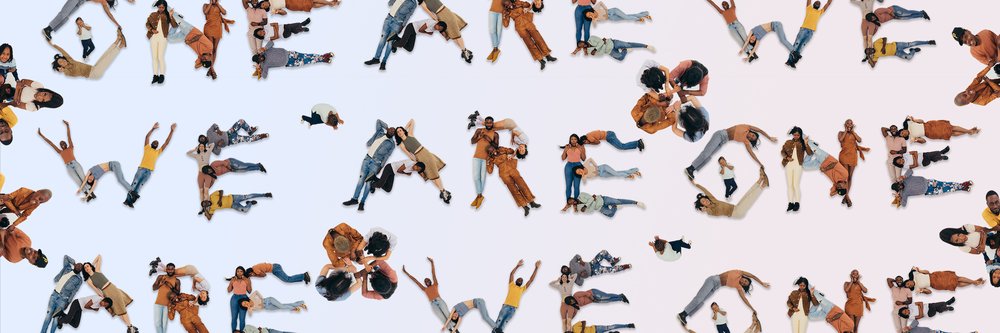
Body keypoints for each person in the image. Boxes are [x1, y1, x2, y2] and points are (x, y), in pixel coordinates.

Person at [678, 270, 770, 331]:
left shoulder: (738, 286)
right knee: (699, 299)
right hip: (713, 280)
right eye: (745, 281)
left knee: (701, 303)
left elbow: (744, 299)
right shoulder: (739, 272)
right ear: (745, 277)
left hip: (715, 287)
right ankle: (682, 314)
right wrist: (762, 283)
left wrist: (752, 309)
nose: (743, 282)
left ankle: (684, 315)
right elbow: (753, 276)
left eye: (745, 284)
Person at [684, 124, 778, 180]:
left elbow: (752, 154)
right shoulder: (746, 127)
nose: (751, 136)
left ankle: (693, 170)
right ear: (752, 132)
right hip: (720, 135)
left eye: (752, 138)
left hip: (723, 142)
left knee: (708, 157)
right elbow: (760, 130)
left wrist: (760, 163)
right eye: (753, 135)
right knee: (706, 154)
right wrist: (769, 137)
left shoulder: (745, 141)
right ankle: (690, 168)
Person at [396, 119, 452, 204]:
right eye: (398, 132)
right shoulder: (401, 144)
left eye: (400, 130)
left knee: (435, 174)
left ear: (403, 130)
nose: (399, 132)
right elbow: (409, 155)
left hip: (425, 152)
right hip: (419, 157)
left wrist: (404, 128)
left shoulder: (410, 134)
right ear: (397, 135)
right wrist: (416, 161)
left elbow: (412, 121)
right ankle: (443, 191)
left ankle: (443, 192)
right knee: (431, 175)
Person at [124, 122, 176, 208]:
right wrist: (153, 129)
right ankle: (127, 201)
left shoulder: (157, 152)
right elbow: (147, 137)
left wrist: (171, 131)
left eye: (157, 143)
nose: (156, 143)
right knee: (134, 184)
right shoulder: (147, 148)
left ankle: (131, 202)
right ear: (151, 144)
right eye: (154, 142)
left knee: (139, 187)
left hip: (149, 172)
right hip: (141, 169)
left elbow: (166, 143)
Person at [81, 255, 138, 333]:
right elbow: (96, 290)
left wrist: (91, 263)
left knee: (122, 309)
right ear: (84, 270)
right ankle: (130, 327)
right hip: (106, 293)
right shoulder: (89, 280)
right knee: (118, 311)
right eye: (85, 268)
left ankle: (130, 327)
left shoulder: (97, 270)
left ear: (90, 266)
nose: (87, 268)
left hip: (113, 288)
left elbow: (99, 256)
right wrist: (103, 296)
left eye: (87, 266)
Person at [503, 0, 558, 70]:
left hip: (528, 23)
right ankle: (541, 60)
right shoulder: (505, 11)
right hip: (520, 27)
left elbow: (528, 5)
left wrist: (520, 3)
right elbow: (505, 25)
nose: (508, 5)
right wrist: (504, 15)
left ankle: (548, 56)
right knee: (529, 44)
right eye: (506, 5)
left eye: (508, 3)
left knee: (538, 39)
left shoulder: (517, 2)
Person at [692, 169, 769, 219]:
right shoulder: (710, 211)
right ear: (703, 205)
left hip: (735, 207)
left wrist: (696, 184)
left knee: (747, 195)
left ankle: (760, 179)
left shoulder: (713, 200)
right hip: (736, 213)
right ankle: (764, 185)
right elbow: (709, 212)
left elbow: (705, 191)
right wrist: (705, 210)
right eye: (703, 202)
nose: (706, 200)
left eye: (705, 199)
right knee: (750, 199)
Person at [487, 145, 541, 216]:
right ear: (489, 153)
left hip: (512, 169)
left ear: (494, 148)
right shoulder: (490, 159)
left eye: (493, 149)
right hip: (504, 174)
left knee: (522, 185)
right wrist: (487, 162)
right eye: (491, 151)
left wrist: (505, 150)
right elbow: (490, 171)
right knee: (513, 190)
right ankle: (525, 207)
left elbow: (512, 151)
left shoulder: (501, 150)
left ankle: (532, 202)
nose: (493, 151)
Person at [364, 0, 418, 71]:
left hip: (398, 23)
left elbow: (408, 16)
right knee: (382, 39)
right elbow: (390, 4)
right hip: (388, 18)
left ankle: (384, 62)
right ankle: (376, 59)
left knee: (390, 42)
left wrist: (402, 26)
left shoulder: (413, 3)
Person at [49, 31, 126, 80]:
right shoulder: (67, 72)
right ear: (61, 67)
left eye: (62, 59)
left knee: (104, 56)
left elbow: (62, 51)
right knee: (108, 59)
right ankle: (121, 45)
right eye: (61, 62)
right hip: (93, 74)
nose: (63, 60)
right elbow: (73, 74)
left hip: (92, 68)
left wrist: (52, 44)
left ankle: (117, 40)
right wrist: (63, 70)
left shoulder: (70, 60)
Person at [43, 0, 132, 41]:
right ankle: (47, 28)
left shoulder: (103, 2)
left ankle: (49, 30)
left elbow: (110, 14)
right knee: (64, 13)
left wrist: (117, 24)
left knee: (66, 17)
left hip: (81, 2)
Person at [164, 10, 217, 78]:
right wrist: (190, 42)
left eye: (203, 60)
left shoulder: (201, 57)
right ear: (209, 58)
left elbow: (196, 66)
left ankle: (177, 22)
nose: (203, 59)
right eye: (205, 59)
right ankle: (165, 6)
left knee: (169, 39)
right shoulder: (210, 46)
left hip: (185, 37)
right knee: (175, 18)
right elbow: (199, 36)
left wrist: (203, 63)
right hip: (190, 30)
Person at [801, 139, 852, 206]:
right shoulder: (845, 174)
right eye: (841, 187)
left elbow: (831, 194)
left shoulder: (835, 184)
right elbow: (835, 163)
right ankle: (800, 133)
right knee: (810, 145)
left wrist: (837, 191)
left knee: (804, 166)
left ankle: (812, 150)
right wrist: (825, 169)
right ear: (845, 186)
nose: (838, 186)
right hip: (825, 158)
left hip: (820, 165)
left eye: (838, 188)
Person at [494, 259, 541, 332]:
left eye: (521, 280)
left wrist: (536, 268)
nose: (520, 280)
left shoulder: (522, 289)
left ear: (522, 283)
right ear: (515, 281)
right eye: (519, 279)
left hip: (513, 309)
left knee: (504, 324)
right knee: (499, 321)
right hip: (506, 306)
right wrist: (517, 266)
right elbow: (511, 274)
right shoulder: (511, 285)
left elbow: (531, 280)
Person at [42, 255, 84, 333]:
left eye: (81, 266)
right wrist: (74, 262)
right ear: (75, 265)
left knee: (56, 319)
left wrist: (68, 303)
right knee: (48, 316)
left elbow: (74, 292)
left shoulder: (79, 280)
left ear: (81, 270)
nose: (79, 266)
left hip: (63, 299)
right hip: (54, 295)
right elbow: (66, 257)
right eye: (78, 264)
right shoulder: (67, 268)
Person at [38, 120, 86, 187]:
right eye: (61, 144)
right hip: (68, 167)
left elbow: (69, 136)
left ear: (66, 144)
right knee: (77, 181)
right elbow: (50, 143)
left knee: (83, 178)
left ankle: (91, 192)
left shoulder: (70, 147)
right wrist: (41, 135)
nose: (62, 144)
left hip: (75, 163)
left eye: (63, 143)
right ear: (60, 146)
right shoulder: (60, 151)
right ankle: (87, 194)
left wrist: (67, 125)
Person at [892, 168, 973, 208]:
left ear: (898, 182)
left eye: (899, 185)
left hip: (929, 182)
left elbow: (910, 170)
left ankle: (963, 185)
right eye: (899, 188)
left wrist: (904, 176)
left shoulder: (905, 178)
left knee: (947, 184)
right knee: (947, 189)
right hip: (929, 191)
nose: (900, 186)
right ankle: (963, 186)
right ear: (898, 190)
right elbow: (903, 204)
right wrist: (898, 197)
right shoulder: (904, 193)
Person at [787, 0, 833, 68]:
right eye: (817, 2)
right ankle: (789, 61)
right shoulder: (809, 8)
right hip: (804, 30)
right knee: (796, 44)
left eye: (819, 3)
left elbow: (828, 3)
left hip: (811, 32)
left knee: (801, 47)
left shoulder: (820, 12)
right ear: (813, 4)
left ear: (819, 6)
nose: (818, 2)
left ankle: (793, 62)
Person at [253, 40, 334, 79]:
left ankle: (323, 57)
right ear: (259, 62)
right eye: (259, 60)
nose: (260, 58)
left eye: (259, 56)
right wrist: (259, 69)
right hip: (289, 63)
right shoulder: (264, 65)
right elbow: (264, 76)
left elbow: (271, 42)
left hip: (290, 54)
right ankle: (323, 59)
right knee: (307, 61)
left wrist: (264, 48)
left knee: (307, 56)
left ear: (259, 54)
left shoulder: (265, 50)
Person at [402, 257, 449, 322]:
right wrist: (406, 273)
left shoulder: (435, 284)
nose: (427, 282)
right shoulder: (424, 289)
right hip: (433, 303)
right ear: (425, 283)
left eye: (428, 280)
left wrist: (432, 262)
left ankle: (455, 326)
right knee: (442, 318)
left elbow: (433, 274)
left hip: (439, 300)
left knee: (447, 315)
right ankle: (450, 330)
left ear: (430, 281)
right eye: (426, 281)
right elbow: (415, 281)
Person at [197, 157, 267, 200]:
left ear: (208, 167)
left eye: (208, 169)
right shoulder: (214, 174)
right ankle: (258, 168)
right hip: (232, 170)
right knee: (246, 170)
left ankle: (258, 164)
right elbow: (211, 183)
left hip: (231, 163)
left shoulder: (213, 164)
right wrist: (207, 188)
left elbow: (224, 163)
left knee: (245, 166)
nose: (209, 171)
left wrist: (230, 168)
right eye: (208, 172)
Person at [861, 5, 930, 48]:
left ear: (872, 14)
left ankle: (921, 12)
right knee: (908, 17)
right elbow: (875, 30)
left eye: (872, 17)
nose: (873, 19)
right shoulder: (876, 22)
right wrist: (870, 37)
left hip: (894, 10)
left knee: (908, 13)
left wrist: (893, 15)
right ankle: (922, 15)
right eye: (871, 19)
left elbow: (887, 10)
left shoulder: (877, 11)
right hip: (895, 17)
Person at [560, 288, 629, 331]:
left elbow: (586, 294)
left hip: (593, 294)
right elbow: (573, 315)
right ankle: (621, 299)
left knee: (607, 296)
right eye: (570, 303)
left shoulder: (576, 295)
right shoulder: (576, 306)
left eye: (571, 300)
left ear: (571, 298)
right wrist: (567, 322)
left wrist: (592, 298)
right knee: (608, 301)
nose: (572, 302)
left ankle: (620, 295)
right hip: (594, 300)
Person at [470, 117, 499, 208]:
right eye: (487, 122)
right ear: (485, 123)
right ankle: (480, 196)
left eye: (490, 123)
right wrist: (479, 137)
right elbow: (472, 141)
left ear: (492, 123)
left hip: (487, 158)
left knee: (482, 178)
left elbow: (496, 146)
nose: (489, 124)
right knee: (475, 177)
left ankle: (479, 196)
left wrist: (488, 139)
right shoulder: (479, 130)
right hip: (477, 157)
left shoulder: (495, 134)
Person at [781, 127, 812, 212]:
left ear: (800, 135)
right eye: (794, 134)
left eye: (798, 135)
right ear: (792, 134)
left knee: (795, 185)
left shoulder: (802, 143)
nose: (796, 136)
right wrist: (787, 157)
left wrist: (806, 143)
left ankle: (797, 203)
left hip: (798, 165)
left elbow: (809, 153)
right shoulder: (788, 142)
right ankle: (790, 203)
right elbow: (782, 152)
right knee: (789, 185)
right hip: (788, 165)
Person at [146, 1, 177, 84]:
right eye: (159, 7)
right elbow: (147, 24)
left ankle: (162, 75)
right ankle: (155, 75)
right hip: (153, 37)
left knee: (160, 57)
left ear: (165, 7)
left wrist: (171, 16)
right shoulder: (153, 14)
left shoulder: (167, 15)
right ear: (157, 7)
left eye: (163, 7)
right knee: (154, 57)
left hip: (163, 38)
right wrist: (152, 30)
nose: (161, 9)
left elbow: (174, 26)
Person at [838, 119, 869, 202]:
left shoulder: (853, 134)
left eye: (850, 123)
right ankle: (847, 196)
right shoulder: (841, 132)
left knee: (850, 177)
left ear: (852, 125)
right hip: (844, 155)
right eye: (847, 123)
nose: (849, 124)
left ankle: (846, 196)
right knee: (845, 176)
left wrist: (853, 131)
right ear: (845, 124)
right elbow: (841, 140)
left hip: (853, 156)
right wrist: (845, 130)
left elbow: (859, 140)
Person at [202, 0, 233, 79]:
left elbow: (224, 12)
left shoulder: (218, 6)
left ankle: (210, 69)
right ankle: (212, 70)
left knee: (215, 49)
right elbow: (205, 12)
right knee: (210, 49)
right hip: (209, 27)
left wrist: (218, 4)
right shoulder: (205, 5)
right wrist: (211, 3)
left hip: (218, 28)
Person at [0, 78, 64, 112]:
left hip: (7, 98)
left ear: (44, 103)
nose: (40, 96)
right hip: (10, 88)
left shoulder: (34, 107)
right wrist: (17, 97)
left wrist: (18, 89)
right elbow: (23, 81)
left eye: (43, 99)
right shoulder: (39, 86)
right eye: (44, 94)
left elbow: (15, 104)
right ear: (47, 91)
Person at [901, 116, 980, 144]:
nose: (903, 133)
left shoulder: (910, 124)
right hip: (930, 133)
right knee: (950, 133)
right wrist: (917, 140)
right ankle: (969, 131)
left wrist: (915, 120)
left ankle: (969, 132)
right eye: (903, 135)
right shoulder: (912, 137)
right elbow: (924, 141)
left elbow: (922, 121)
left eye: (902, 132)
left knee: (951, 127)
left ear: (903, 129)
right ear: (905, 136)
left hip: (930, 124)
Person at [200, 190, 272, 220]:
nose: (206, 203)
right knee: (245, 210)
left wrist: (219, 200)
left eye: (205, 202)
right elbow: (209, 218)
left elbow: (221, 191)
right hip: (233, 206)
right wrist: (205, 210)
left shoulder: (212, 196)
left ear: (206, 200)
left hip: (233, 197)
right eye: (205, 205)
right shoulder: (212, 208)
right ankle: (249, 203)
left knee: (247, 196)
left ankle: (265, 195)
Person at [907, 266, 984, 294]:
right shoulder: (917, 289)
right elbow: (929, 292)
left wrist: (920, 270)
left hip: (935, 275)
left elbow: (927, 272)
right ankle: (974, 282)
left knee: (957, 278)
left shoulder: (915, 274)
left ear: (908, 280)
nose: (909, 284)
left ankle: (974, 282)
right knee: (956, 284)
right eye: (909, 286)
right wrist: (922, 291)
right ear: (910, 287)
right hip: (936, 284)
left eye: (908, 283)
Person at [864, 38, 935, 67]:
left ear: (870, 47)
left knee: (911, 44)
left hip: (897, 45)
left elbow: (884, 38)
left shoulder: (875, 43)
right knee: (909, 57)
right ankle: (913, 50)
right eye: (869, 52)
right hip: (897, 53)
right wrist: (869, 58)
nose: (870, 51)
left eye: (869, 49)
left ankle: (928, 42)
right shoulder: (875, 55)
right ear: (870, 54)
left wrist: (883, 47)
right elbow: (873, 65)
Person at [152, 263, 181, 333]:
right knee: (157, 323)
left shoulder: (177, 280)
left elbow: (178, 293)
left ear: (174, 269)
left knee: (164, 324)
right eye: (168, 269)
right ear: (166, 269)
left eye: (172, 269)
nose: (170, 271)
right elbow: (153, 288)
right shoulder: (160, 277)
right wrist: (160, 284)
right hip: (158, 303)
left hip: (168, 305)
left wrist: (171, 286)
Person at [583, 35, 654, 61]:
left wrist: (596, 49)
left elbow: (601, 42)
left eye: (580, 43)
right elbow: (601, 53)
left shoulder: (591, 38)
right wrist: (603, 43)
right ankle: (625, 50)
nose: (582, 45)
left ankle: (646, 46)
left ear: (582, 41)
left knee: (628, 44)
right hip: (609, 51)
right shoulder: (589, 52)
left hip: (612, 42)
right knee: (620, 58)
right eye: (580, 46)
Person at [575, 192, 645, 218]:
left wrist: (588, 204)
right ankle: (615, 207)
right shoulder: (579, 208)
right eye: (569, 203)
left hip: (602, 199)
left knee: (618, 201)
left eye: (570, 200)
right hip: (600, 208)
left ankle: (636, 202)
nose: (572, 202)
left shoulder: (581, 194)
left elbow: (591, 198)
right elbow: (591, 210)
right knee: (611, 214)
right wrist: (589, 204)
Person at [227, 266, 252, 332]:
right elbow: (229, 290)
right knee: (234, 318)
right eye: (238, 271)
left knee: (242, 319)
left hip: (244, 298)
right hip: (234, 298)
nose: (239, 273)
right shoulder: (233, 279)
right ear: (236, 272)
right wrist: (231, 282)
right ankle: (233, 331)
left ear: (243, 272)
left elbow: (249, 291)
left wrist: (248, 282)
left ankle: (242, 332)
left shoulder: (247, 279)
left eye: (241, 271)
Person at [242, 290, 307, 315]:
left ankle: (294, 308)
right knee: (282, 306)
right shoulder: (251, 308)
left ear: (245, 300)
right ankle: (300, 304)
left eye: (244, 302)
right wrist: (249, 308)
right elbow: (250, 314)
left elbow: (256, 292)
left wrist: (261, 298)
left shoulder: (251, 298)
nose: (245, 304)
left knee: (282, 306)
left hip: (268, 300)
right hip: (268, 307)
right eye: (244, 305)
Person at [585, 1, 650, 25]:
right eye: (589, 16)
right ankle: (645, 14)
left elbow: (600, 2)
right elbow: (594, 25)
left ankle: (639, 19)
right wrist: (593, 18)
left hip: (612, 11)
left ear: (590, 11)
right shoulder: (595, 19)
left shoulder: (594, 9)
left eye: (589, 13)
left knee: (627, 17)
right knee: (628, 16)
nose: (590, 15)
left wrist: (606, 9)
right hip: (612, 18)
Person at [576, 158, 641, 182]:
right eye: (578, 173)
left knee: (616, 174)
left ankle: (628, 175)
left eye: (578, 170)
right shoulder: (584, 176)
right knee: (617, 173)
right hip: (602, 175)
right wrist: (582, 175)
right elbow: (584, 181)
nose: (579, 171)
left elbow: (590, 159)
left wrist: (596, 166)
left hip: (602, 167)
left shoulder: (584, 165)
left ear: (579, 168)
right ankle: (634, 171)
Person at [580, 129, 644, 152]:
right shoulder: (588, 135)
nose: (586, 143)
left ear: (585, 139)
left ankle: (638, 143)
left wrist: (590, 143)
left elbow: (598, 142)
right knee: (621, 147)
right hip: (608, 136)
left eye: (585, 142)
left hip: (609, 136)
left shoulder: (589, 138)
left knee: (621, 146)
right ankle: (637, 144)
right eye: (585, 143)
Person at [246, 262, 310, 284]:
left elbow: (264, 275)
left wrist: (256, 275)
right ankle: (303, 278)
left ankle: (304, 275)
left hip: (275, 268)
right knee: (287, 280)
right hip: (274, 269)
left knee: (287, 279)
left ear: (251, 272)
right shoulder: (254, 268)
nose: (252, 276)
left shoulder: (255, 270)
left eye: (251, 275)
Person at [268, 0, 339, 15]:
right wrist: (278, 12)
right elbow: (285, 13)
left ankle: (331, 3)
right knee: (311, 5)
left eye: (263, 4)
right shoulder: (272, 10)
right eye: (263, 7)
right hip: (290, 5)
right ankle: (331, 3)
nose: (264, 5)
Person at [570, 321, 636, 333]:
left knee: (611, 327)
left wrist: (582, 330)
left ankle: (628, 325)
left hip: (596, 328)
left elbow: (583, 322)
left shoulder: (574, 327)